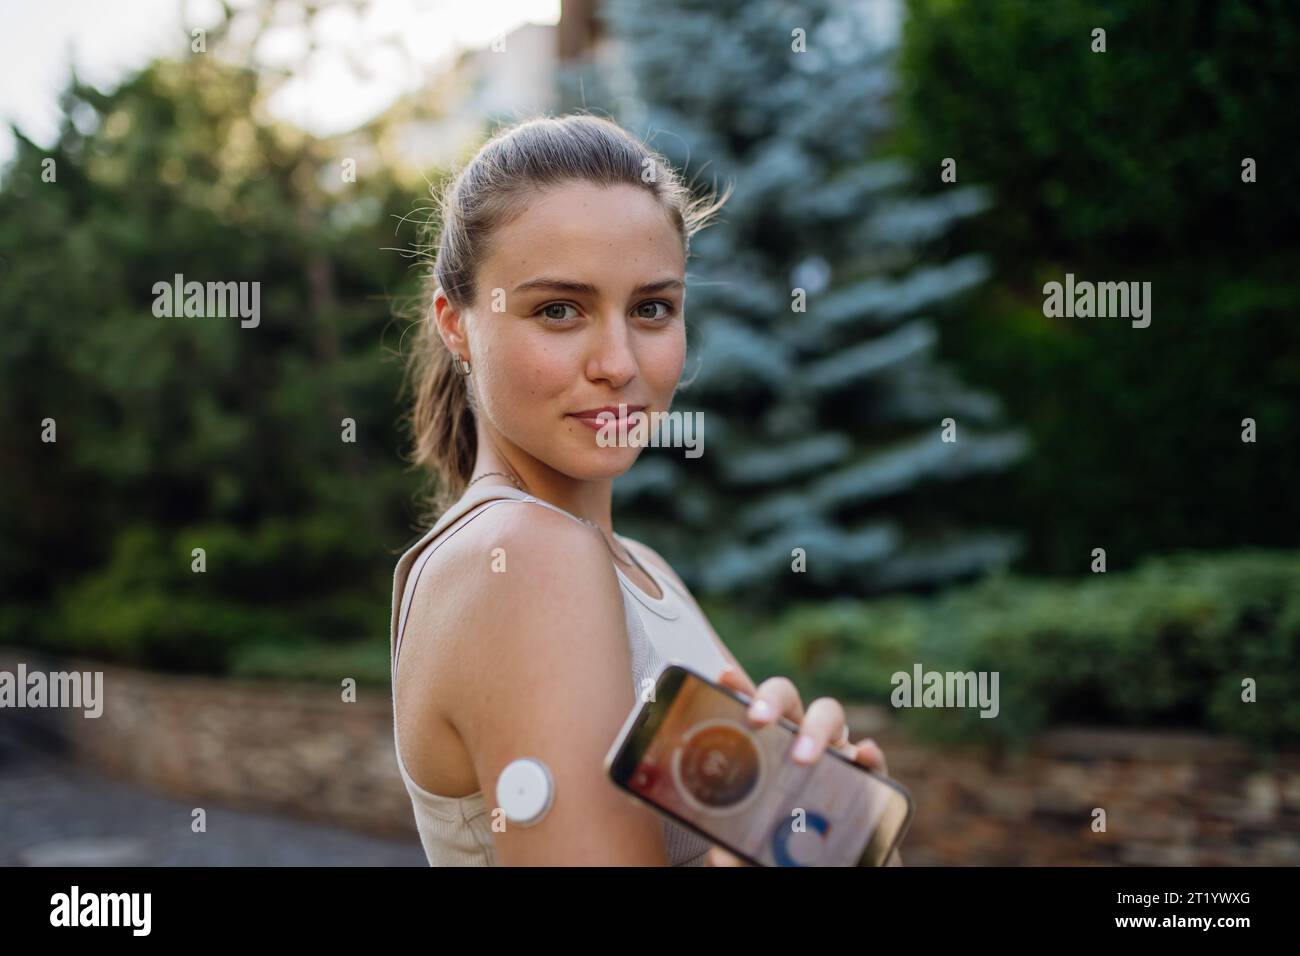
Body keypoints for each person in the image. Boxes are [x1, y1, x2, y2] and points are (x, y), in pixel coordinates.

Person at [390, 113, 899, 866]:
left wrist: (839, 845)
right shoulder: (522, 558)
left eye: (651, 308)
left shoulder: (643, 568)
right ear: (457, 325)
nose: (619, 363)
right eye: (559, 310)